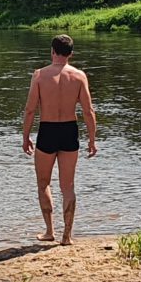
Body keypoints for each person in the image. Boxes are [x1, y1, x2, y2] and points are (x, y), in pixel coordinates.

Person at [20, 34, 98, 245]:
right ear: (71, 54)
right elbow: (88, 111)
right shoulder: (79, 76)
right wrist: (92, 139)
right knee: (68, 186)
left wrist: (25, 136)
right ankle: (67, 236)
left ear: (52, 51)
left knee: (43, 182)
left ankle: (49, 231)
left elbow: (30, 110)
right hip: (69, 131)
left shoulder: (39, 75)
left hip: (47, 131)